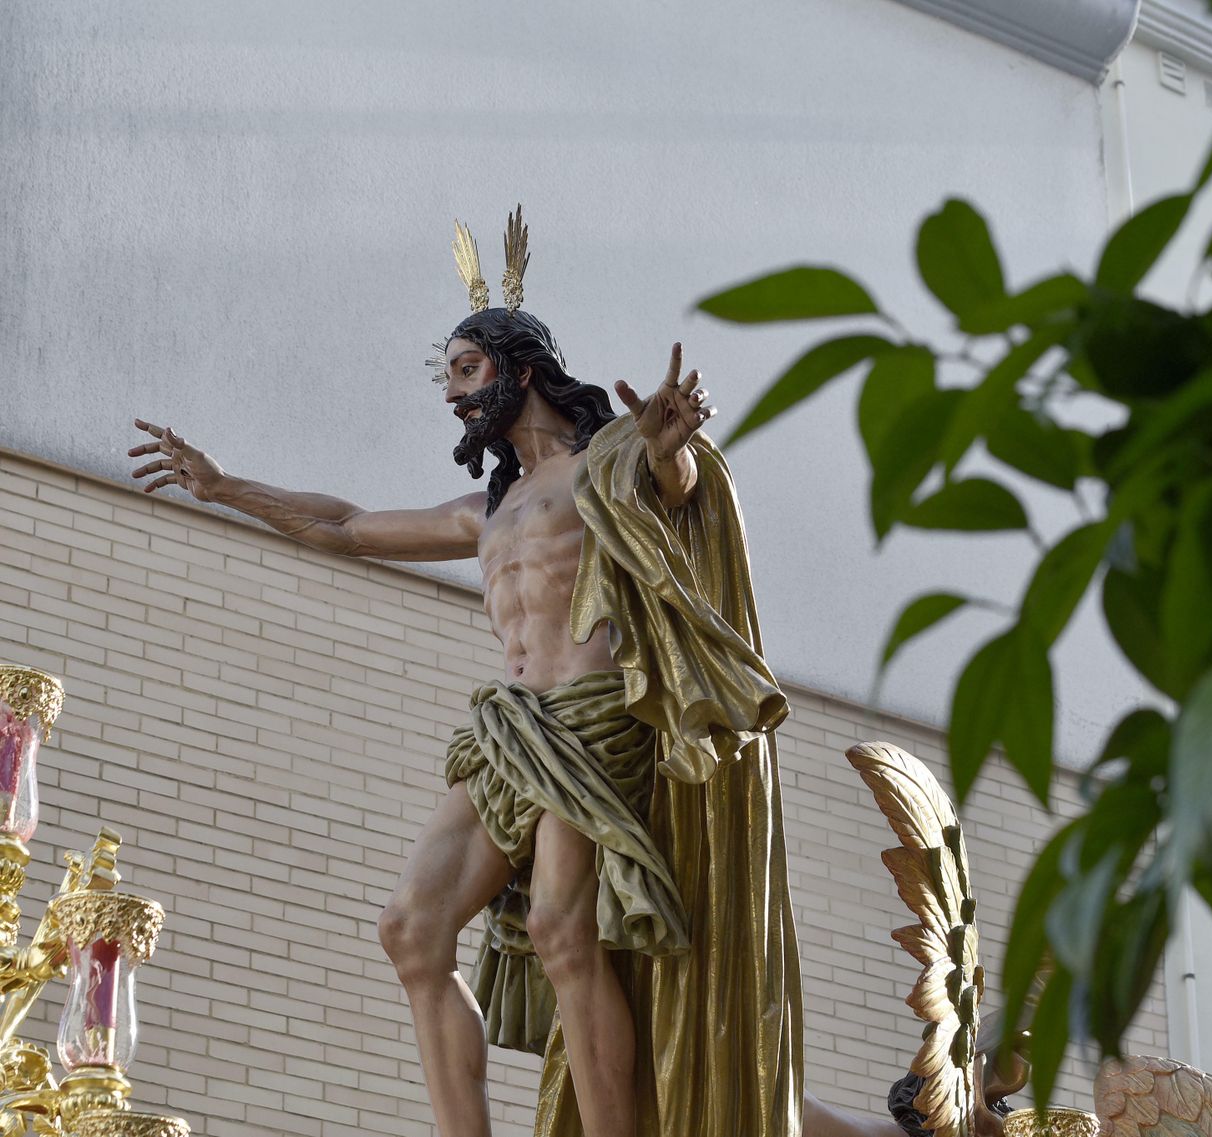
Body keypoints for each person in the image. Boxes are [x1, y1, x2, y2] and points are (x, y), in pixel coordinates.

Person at [128, 211, 1022, 1137]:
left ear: (520, 367)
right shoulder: (490, 509)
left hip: (595, 721)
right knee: (412, 929)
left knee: (563, 930)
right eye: (449, 379)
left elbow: (674, 496)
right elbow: (350, 526)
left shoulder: (609, 462)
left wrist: (671, 450)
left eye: (466, 370)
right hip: (512, 732)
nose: (454, 395)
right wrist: (225, 487)